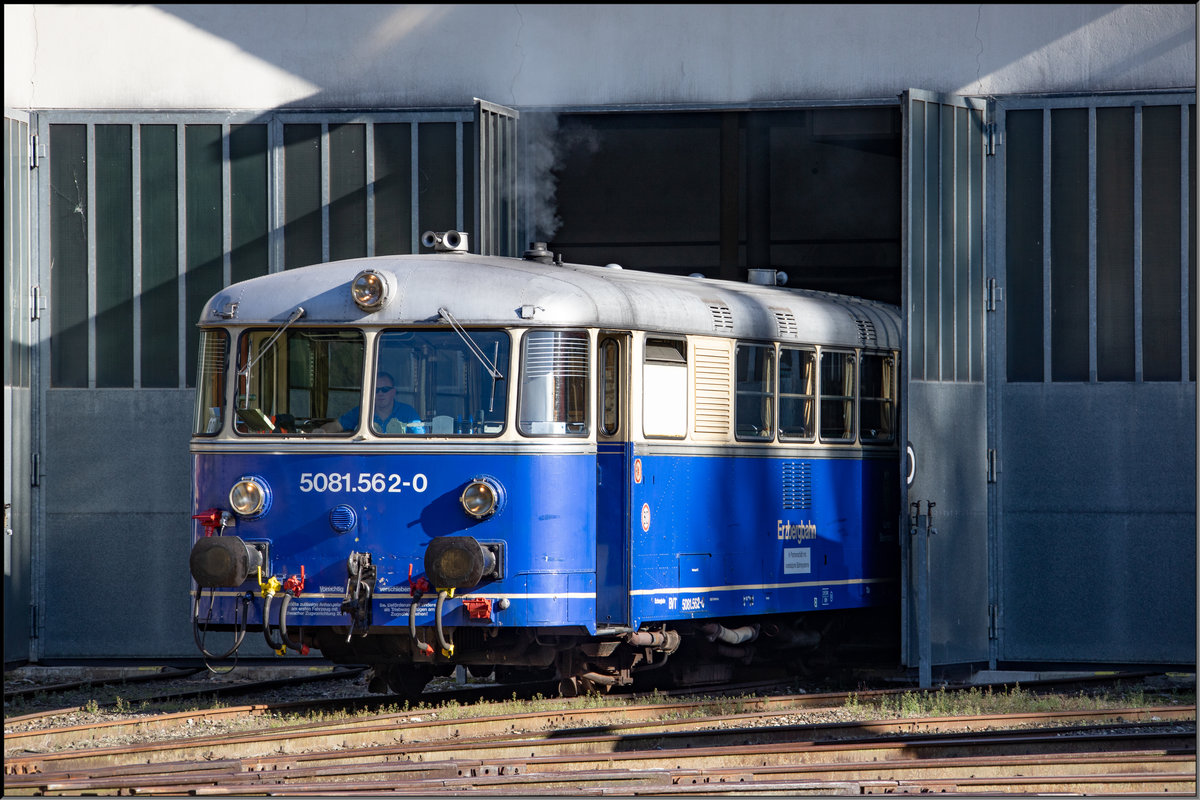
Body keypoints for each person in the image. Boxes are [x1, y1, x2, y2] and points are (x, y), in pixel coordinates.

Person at [321, 372, 424, 433]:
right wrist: (321, 431)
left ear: (393, 392)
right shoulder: (361, 412)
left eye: (385, 389)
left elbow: (419, 438)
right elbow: (338, 425)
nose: (380, 393)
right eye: (376, 390)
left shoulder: (408, 412)